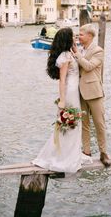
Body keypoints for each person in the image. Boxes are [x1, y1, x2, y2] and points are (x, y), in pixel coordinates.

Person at [32, 27, 92, 173]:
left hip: (74, 90)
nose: (74, 38)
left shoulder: (70, 53)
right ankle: (64, 157)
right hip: (70, 92)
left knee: (73, 125)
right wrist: (62, 101)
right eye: (72, 36)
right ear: (67, 39)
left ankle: (72, 154)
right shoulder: (65, 56)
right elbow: (62, 81)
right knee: (71, 124)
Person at [71, 24, 111, 167]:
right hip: (80, 92)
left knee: (100, 124)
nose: (78, 37)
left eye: (80, 35)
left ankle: (103, 152)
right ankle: (86, 152)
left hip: (94, 92)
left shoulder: (98, 51)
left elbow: (88, 67)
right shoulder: (79, 49)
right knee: (84, 123)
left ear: (89, 36)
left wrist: (77, 54)